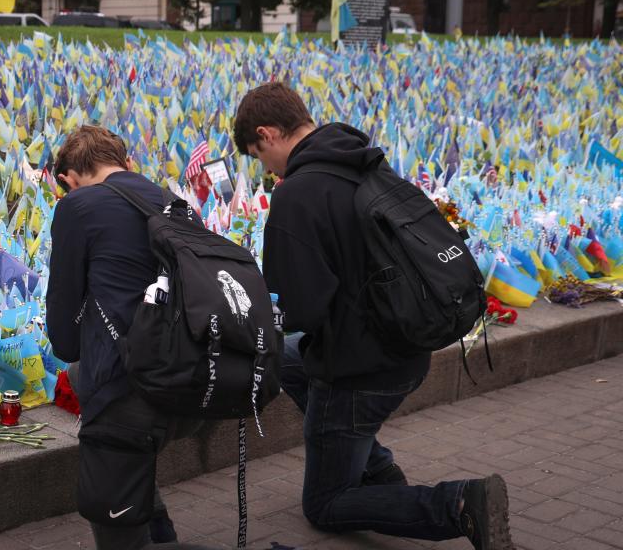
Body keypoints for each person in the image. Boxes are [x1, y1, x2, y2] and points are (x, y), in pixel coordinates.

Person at [232, 82, 514, 550]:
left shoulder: (296, 195)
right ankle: (375, 466)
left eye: (259, 155)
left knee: (324, 505)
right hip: (408, 346)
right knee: (282, 359)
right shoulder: (364, 162)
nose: (265, 168)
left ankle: (460, 504)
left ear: (269, 133)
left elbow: (301, 309)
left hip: (358, 369)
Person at [46, 125, 208, 550]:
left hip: (126, 394)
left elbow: (63, 338)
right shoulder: (176, 204)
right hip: (189, 383)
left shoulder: (77, 207)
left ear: (70, 179)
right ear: (126, 164)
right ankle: (159, 530)